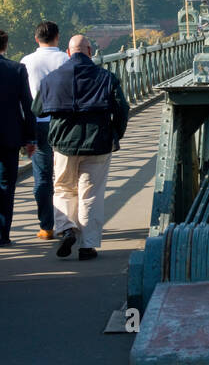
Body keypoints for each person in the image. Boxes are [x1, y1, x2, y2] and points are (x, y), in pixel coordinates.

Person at [33, 34, 129, 261]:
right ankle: (88, 246)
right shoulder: (106, 77)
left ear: (68, 52)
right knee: (91, 194)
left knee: (63, 189)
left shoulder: (53, 78)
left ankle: (66, 228)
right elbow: (122, 109)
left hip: (64, 144)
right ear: (89, 51)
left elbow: (38, 110)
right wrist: (115, 133)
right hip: (98, 143)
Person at [20, 20, 67, 240]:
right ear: (57, 37)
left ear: (36, 39)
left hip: (37, 123)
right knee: (66, 175)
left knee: (42, 176)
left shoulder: (26, 61)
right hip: (63, 123)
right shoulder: (66, 59)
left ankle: (46, 226)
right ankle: (68, 223)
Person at [0, 28, 36, 246]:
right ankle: (3, 234)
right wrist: (30, 138)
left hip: (9, 136)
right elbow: (27, 105)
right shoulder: (16, 69)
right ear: (4, 46)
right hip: (9, 136)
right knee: (6, 186)